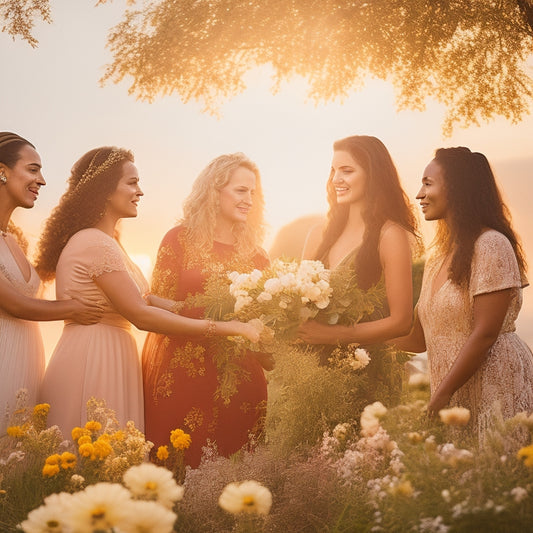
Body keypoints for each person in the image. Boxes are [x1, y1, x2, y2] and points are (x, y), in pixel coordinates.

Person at [34, 147, 260, 436]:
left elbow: (144, 300)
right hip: (95, 356)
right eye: (131, 183)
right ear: (104, 190)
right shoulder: (94, 242)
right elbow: (141, 315)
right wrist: (227, 327)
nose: (140, 191)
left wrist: (211, 305)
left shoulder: (109, 242)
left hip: (113, 351)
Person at [393, 146, 533, 442]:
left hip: (494, 387)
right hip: (453, 393)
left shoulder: (491, 245)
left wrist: (439, 398)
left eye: (428, 183)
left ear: (458, 189)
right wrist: (357, 338)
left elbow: (485, 334)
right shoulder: (438, 257)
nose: (419, 193)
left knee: (496, 477)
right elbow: (420, 338)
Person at [142, 153, 271, 468]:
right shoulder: (179, 240)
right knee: (174, 468)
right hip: (181, 373)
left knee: (234, 472)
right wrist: (221, 317)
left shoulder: (257, 256)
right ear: (215, 191)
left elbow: (266, 321)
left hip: (239, 380)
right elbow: (154, 302)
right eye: (241, 190)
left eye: (253, 192)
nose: (249, 199)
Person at [297, 135, 422, 404]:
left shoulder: (390, 235)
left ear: (373, 175)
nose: (336, 179)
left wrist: (334, 336)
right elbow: (297, 304)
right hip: (311, 377)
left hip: (368, 377)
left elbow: (401, 322)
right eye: (333, 171)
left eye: (347, 170)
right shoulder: (318, 233)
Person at [0, 132, 102, 434]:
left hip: (26, 361)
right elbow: (14, 303)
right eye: (33, 169)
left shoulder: (14, 240)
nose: (42, 180)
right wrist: (74, 308)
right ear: (2, 171)